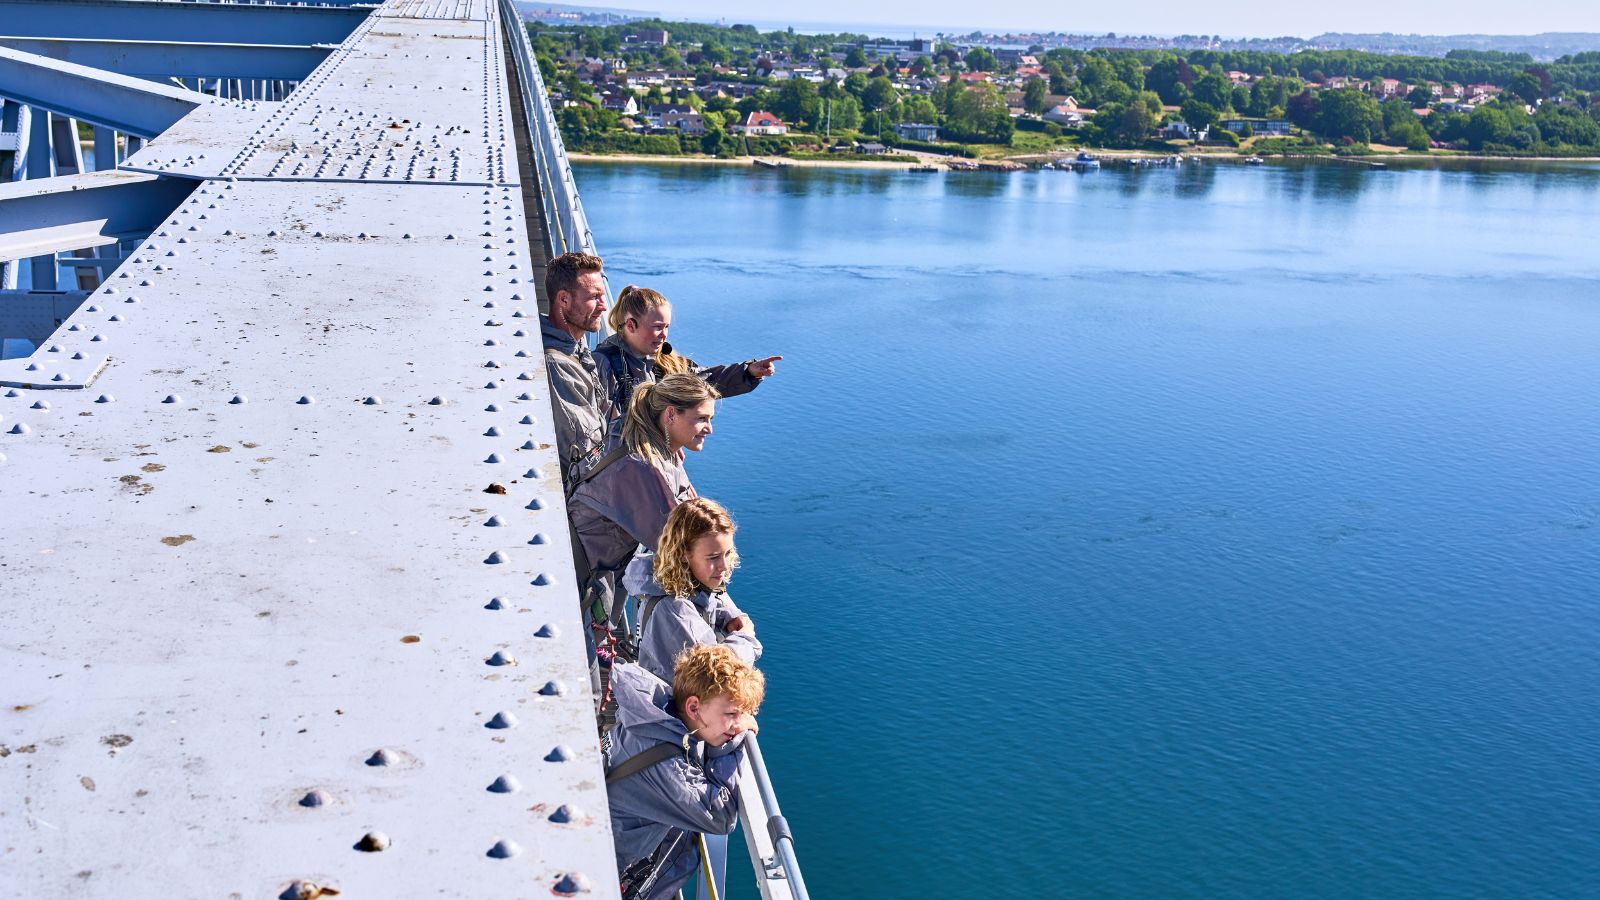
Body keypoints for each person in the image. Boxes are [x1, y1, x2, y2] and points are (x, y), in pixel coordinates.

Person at [607, 644, 763, 900]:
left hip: (600, 832)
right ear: (693, 708)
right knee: (687, 840)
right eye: (732, 713)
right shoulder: (664, 762)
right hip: (602, 864)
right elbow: (719, 817)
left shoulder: (653, 714)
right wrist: (729, 747)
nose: (739, 724)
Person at [570, 374, 719, 640]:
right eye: (702, 419)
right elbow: (683, 547)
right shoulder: (643, 468)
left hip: (582, 562)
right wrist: (722, 611)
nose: (710, 428)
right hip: (578, 581)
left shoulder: (638, 435)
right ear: (671, 414)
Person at [594, 286, 780, 445]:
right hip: (626, 462)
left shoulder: (664, 362)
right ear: (630, 325)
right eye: (658, 327)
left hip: (655, 454)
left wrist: (748, 371)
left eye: (667, 327)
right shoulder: (604, 364)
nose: (664, 334)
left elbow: (704, 382)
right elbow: (604, 423)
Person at [624, 498, 761, 682]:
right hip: (678, 707)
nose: (724, 565)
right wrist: (745, 638)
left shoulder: (684, 584)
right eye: (713, 557)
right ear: (683, 555)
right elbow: (716, 674)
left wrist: (726, 617)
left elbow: (704, 603)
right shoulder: (674, 609)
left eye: (727, 553)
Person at [540, 251, 609, 490]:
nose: (604, 305)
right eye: (594, 297)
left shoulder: (574, 343)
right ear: (563, 300)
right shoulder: (557, 366)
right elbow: (588, 457)